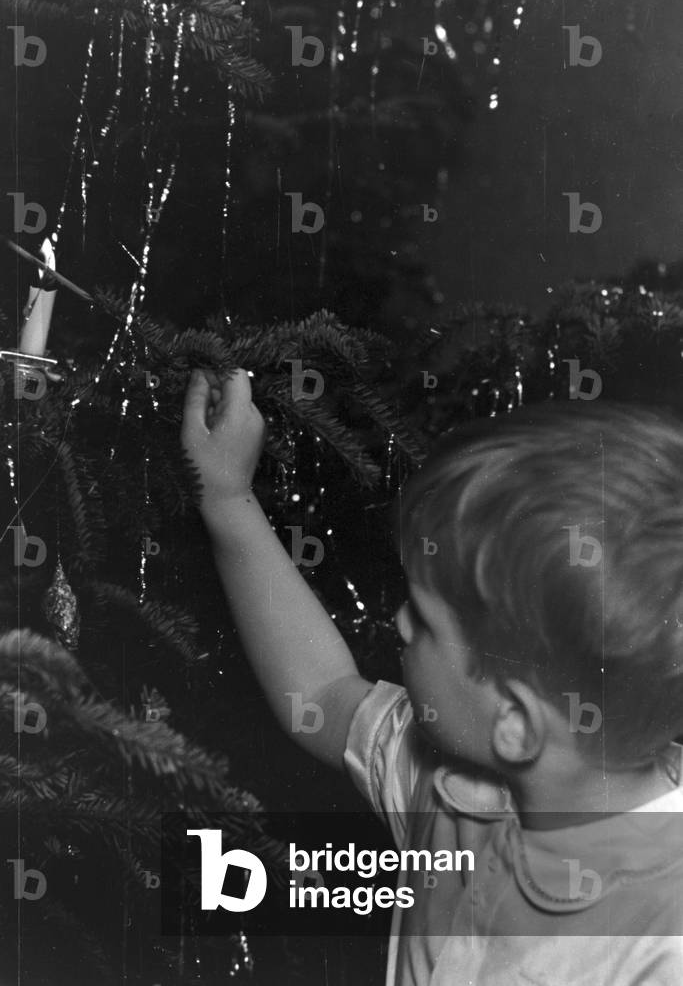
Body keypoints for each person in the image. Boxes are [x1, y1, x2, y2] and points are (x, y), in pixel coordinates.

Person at [181, 368, 683, 986]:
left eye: (423, 616)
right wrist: (227, 498)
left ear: (516, 722)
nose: (398, 621)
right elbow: (320, 694)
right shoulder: (456, 783)